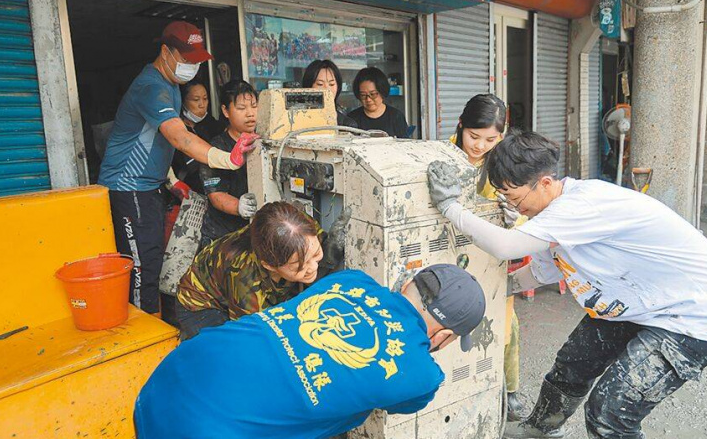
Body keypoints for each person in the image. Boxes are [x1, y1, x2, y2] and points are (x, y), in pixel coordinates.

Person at [426, 130, 707, 439]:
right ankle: (542, 429)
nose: (512, 205)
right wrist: (491, 292)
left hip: (695, 314)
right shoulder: (553, 215)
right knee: (573, 363)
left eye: (513, 196)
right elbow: (542, 273)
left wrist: (451, 207)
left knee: (610, 410)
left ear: (545, 183)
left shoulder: (581, 205)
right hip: (642, 302)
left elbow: (506, 246)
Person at [135, 264, 487, 439]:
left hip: (161, 385)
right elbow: (397, 399)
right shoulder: (421, 377)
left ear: (408, 282)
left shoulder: (350, 280)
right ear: (444, 335)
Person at [97, 21, 256, 315]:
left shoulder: (170, 86)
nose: (191, 67)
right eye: (186, 59)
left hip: (149, 186)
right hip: (129, 186)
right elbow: (178, 137)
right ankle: (145, 339)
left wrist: (170, 180)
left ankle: (154, 326)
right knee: (142, 268)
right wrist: (228, 158)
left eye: (196, 61)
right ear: (165, 52)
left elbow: (156, 143)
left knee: (154, 261)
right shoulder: (150, 86)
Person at [450, 93, 527, 421]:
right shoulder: (439, 156)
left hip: (491, 256)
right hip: (447, 251)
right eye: (474, 136)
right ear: (460, 126)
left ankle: (509, 391)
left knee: (505, 324)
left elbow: (524, 210)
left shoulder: (504, 163)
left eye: (491, 139)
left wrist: (516, 217)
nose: (480, 146)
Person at [175, 201, 350, 340]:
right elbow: (251, 338)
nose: (312, 267)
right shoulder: (246, 281)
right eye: (299, 266)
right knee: (230, 356)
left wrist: (329, 253)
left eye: (316, 253)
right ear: (269, 265)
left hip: (244, 288)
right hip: (201, 304)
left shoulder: (298, 228)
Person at [198, 80, 261, 248]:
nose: (250, 114)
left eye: (254, 106)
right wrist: (239, 206)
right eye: (241, 108)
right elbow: (215, 195)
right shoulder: (216, 148)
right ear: (225, 111)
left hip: (254, 232)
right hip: (222, 236)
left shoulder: (264, 140)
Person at [171, 80, 225, 195]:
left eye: (205, 99)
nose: (202, 104)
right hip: (190, 191)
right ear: (182, 101)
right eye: (196, 100)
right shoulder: (175, 129)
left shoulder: (212, 125)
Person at [348, 67, 409, 138]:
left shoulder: (396, 117)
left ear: (382, 92)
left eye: (373, 94)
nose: (368, 99)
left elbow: (404, 145)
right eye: (363, 95)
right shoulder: (352, 119)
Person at [301, 59, 358, 128]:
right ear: (308, 87)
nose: (327, 89)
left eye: (331, 84)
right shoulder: (296, 120)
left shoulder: (347, 125)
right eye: (320, 84)